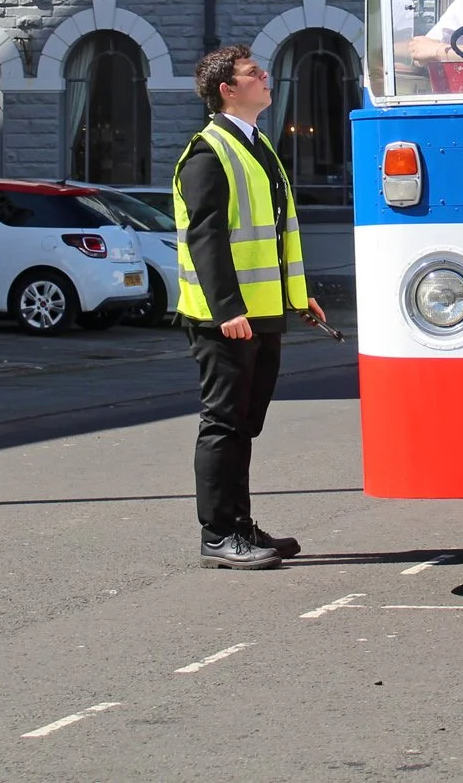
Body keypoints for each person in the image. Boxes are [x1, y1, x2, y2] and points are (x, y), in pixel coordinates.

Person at [173, 45, 327, 571]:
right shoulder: (207, 152)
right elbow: (206, 237)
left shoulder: (259, 144)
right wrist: (225, 309)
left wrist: (296, 295)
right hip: (227, 320)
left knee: (245, 424)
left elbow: (275, 231)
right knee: (223, 423)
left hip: (262, 312)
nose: (265, 78)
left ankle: (239, 524)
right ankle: (218, 533)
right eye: (253, 73)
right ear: (227, 90)